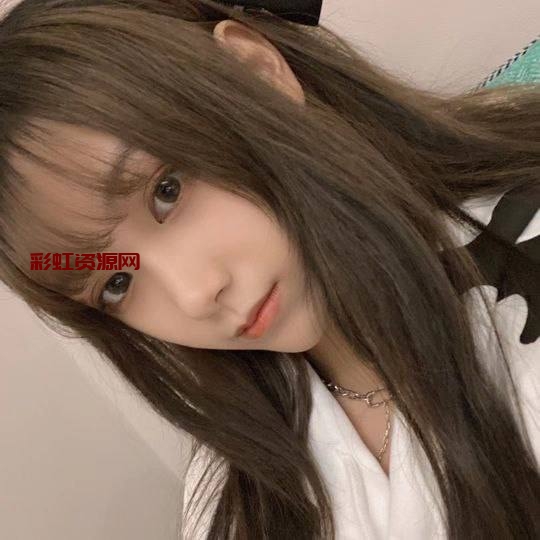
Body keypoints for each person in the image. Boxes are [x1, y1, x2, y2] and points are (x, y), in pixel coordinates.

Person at [0, 1, 538, 538]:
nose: (194, 294)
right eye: (117, 283)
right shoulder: (232, 495)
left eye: (168, 191)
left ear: (256, 72)